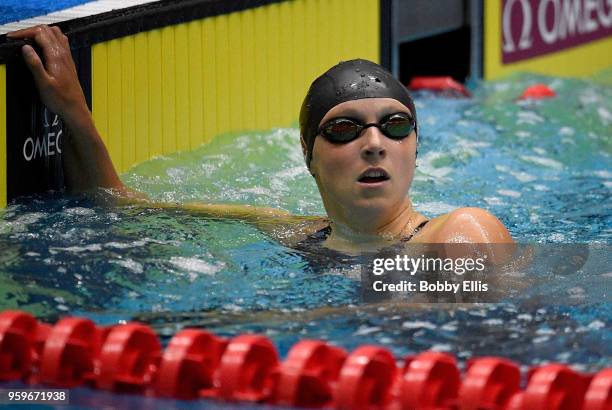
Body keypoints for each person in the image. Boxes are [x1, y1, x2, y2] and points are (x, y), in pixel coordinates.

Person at [7, 25, 513, 256]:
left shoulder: (459, 235)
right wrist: (73, 113)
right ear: (309, 158)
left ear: (415, 149)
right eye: (344, 129)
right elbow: (121, 206)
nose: (375, 143)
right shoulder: (298, 235)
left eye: (395, 125)